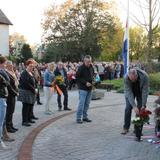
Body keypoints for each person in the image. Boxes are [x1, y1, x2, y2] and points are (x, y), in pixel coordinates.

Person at [121, 68, 149, 135]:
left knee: (140, 109)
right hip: (130, 92)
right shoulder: (126, 77)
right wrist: (134, 106)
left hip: (140, 92)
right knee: (128, 108)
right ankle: (126, 128)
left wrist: (143, 104)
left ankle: (137, 129)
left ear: (136, 76)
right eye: (131, 80)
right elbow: (129, 92)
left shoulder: (145, 76)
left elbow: (145, 91)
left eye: (134, 79)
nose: (133, 81)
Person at [18, 59, 38, 127]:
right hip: (25, 92)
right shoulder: (24, 73)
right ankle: (24, 121)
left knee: (30, 106)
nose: (31, 67)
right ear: (26, 66)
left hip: (30, 91)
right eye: (30, 66)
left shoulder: (31, 72)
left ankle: (29, 119)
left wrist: (35, 88)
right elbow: (26, 83)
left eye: (32, 66)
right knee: (25, 107)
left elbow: (34, 81)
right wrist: (33, 89)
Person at [76, 55, 94, 124]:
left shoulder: (91, 67)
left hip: (90, 88)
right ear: (84, 61)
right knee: (81, 103)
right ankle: (78, 118)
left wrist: (93, 79)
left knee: (87, 104)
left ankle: (84, 117)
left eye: (89, 61)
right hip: (82, 88)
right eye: (87, 61)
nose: (88, 63)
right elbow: (77, 77)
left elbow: (92, 75)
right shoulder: (81, 68)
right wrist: (85, 82)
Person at [5, 61, 19, 133]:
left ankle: (11, 125)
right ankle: (8, 127)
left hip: (14, 93)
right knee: (9, 111)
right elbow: (9, 86)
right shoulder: (6, 73)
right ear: (6, 66)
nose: (11, 66)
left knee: (12, 110)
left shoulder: (12, 72)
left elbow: (16, 82)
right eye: (9, 65)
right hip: (10, 94)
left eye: (12, 65)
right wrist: (15, 92)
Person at [0, 56, 8, 149]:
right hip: (1, 98)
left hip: (2, 98)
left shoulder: (2, 72)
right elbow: (7, 83)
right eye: (5, 63)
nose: (5, 65)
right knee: (1, 122)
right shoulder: (1, 73)